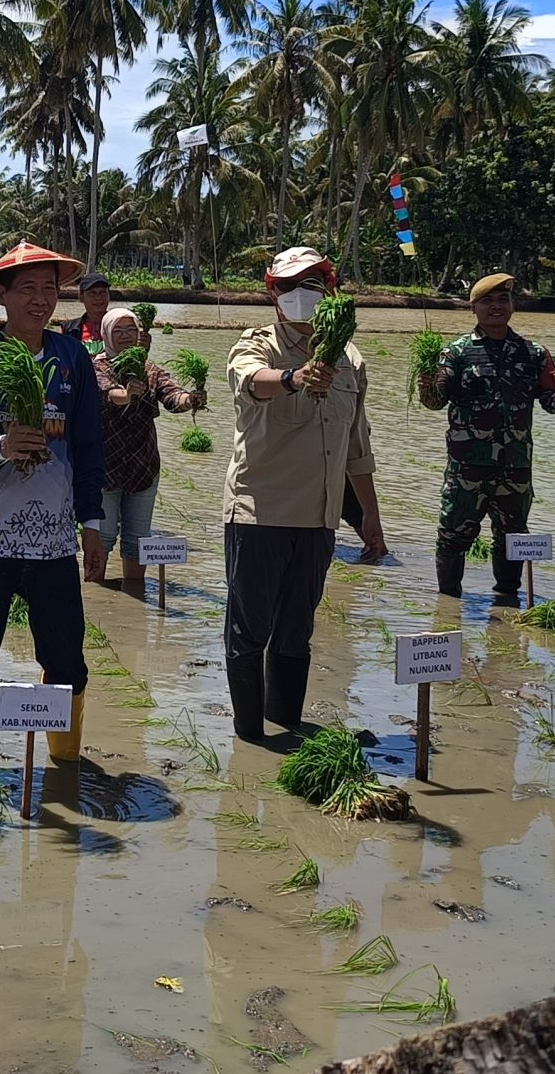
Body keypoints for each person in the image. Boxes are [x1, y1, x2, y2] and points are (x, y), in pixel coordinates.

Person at [0, 241, 106, 763]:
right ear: (2, 294)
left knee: (67, 663)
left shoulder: (72, 356)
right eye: (28, 288)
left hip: (53, 544)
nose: (40, 299)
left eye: (50, 289)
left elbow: (86, 445)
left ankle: (63, 769)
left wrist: (93, 523)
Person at [222, 249, 388, 744]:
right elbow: (252, 382)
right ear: (273, 295)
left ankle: (287, 727)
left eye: (313, 284)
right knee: (249, 632)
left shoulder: (351, 360)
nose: (302, 295)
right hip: (260, 514)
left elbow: (357, 449)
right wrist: (296, 377)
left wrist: (372, 519)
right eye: (291, 286)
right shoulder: (257, 346)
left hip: (319, 521)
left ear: (330, 290)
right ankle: (250, 739)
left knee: (297, 631)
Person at [417, 273, 555, 605]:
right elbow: (435, 402)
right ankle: (448, 606)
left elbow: (551, 399)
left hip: (515, 469)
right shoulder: (457, 353)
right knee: (453, 537)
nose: (496, 307)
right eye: (487, 301)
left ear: (513, 305)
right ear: (473, 308)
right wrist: (425, 384)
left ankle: (508, 602)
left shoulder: (534, 353)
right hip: (466, 469)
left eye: (503, 300)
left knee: (512, 536)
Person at [90, 306, 202, 592]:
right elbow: (106, 392)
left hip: (143, 467)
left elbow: (171, 394)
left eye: (132, 330)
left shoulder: (150, 370)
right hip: (104, 469)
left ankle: (134, 593)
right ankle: (96, 601)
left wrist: (190, 400)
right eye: (119, 330)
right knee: (100, 539)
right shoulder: (94, 367)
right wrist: (125, 394)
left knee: (138, 539)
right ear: (105, 334)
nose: (126, 336)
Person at [60, 272, 113, 351]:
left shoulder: (119, 326)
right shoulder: (69, 330)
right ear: (81, 297)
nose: (98, 298)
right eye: (92, 293)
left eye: (102, 292)